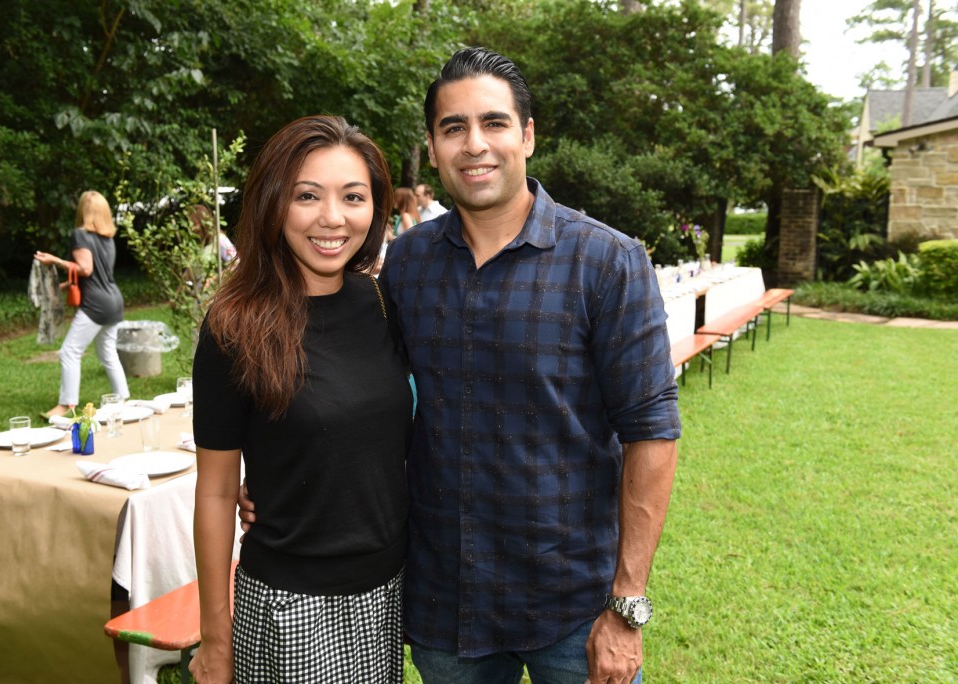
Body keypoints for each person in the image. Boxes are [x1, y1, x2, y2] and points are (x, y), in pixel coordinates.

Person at [242, 48, 680, 684]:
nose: (475, 144)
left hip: (573, 606)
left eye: (494, 123)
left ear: (527, 135)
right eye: (454, 128)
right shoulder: (407, 266)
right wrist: (275, 482)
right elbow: (352, 386)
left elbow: (653, 431)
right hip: (448, 605)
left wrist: (627, 603)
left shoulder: (606, 262)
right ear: (433, 144)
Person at [190, 115, 412, 684]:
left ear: (376, 207)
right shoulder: (234, 326)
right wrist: (216, 641)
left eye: (353, 196)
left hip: (386, 594)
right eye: (307, 196)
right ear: (272, 203)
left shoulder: (379, 302)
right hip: (293, 609)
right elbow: (216, 492)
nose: (332, 218)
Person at [34, 191, 129, 418]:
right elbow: (97, 273)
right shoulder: (107, 238)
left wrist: (54, 260)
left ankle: (67, 405)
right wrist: (67, 284)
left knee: (69, 352)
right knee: (107, 352)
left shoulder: (80, 235)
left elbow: (86, 269)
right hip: (114, 300)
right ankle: (123, 398)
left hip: (96, 303)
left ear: (83, 211)